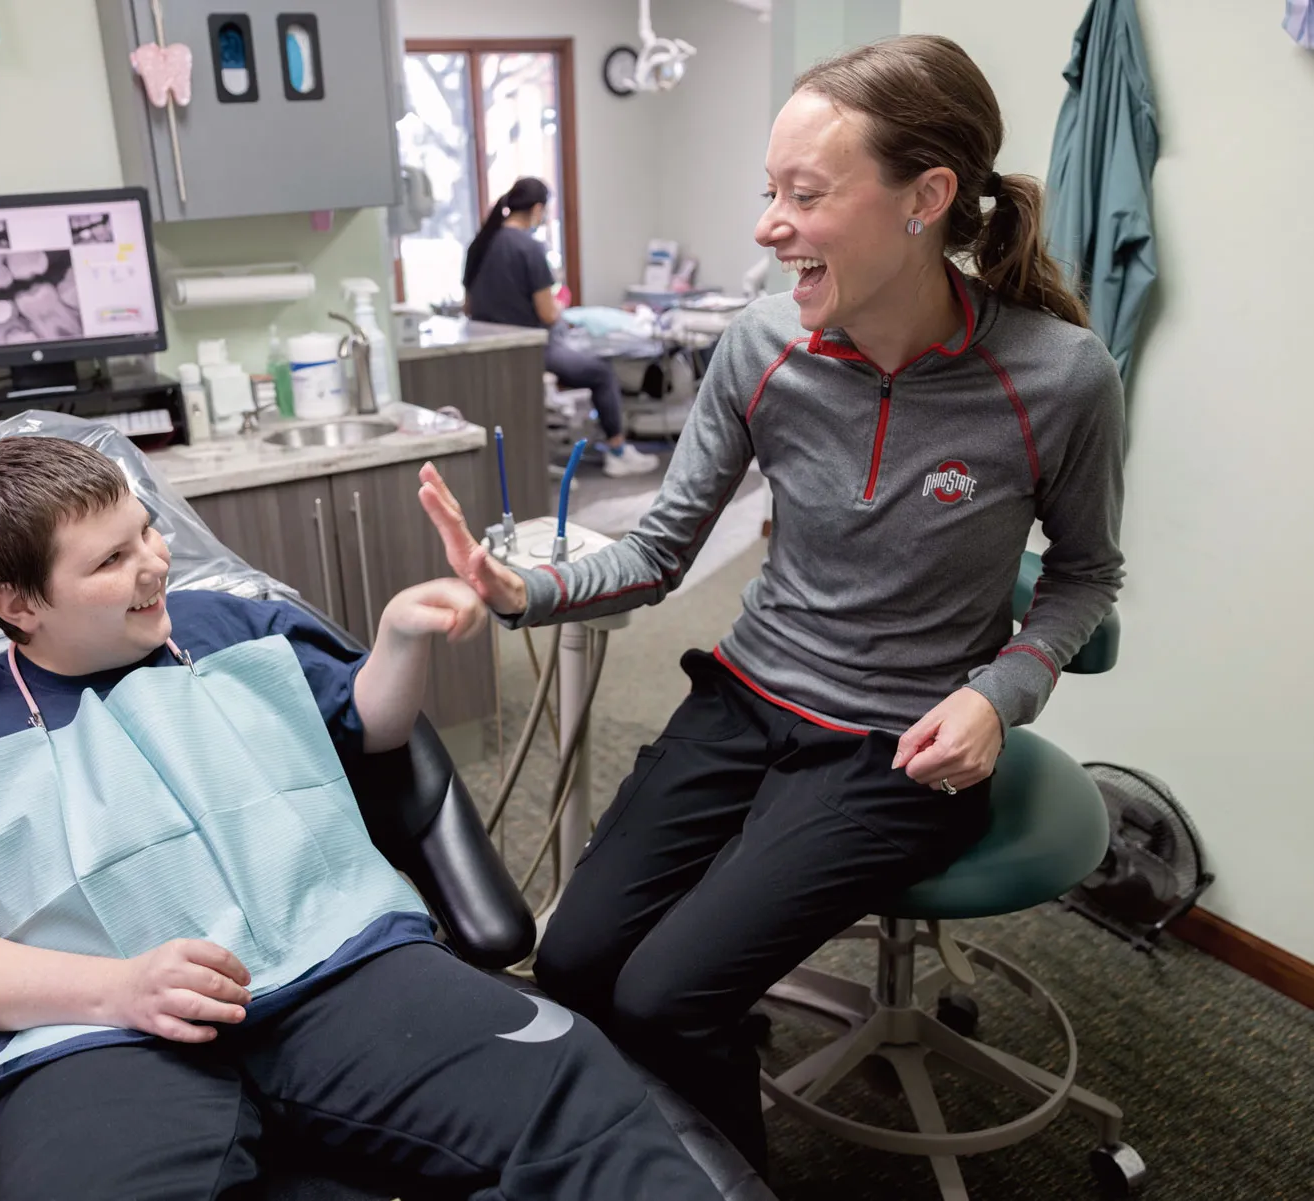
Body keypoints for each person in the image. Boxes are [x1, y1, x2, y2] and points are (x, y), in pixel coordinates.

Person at [419, 34, 1125, 1173]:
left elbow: (1085, 574)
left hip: (893, 747)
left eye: (804, 194)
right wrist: (523, 588)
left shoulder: (1055, 376)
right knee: (574, 961)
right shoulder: (760, 348)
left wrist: (1001, 694)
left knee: (656, 995)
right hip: (743, 701)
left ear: (925, 198)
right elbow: (657, 548)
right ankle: (671, 1103)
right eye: (768, 193)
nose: (765, 224)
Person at [0, 435, 725, 1201]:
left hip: (339, 964)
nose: (155, 563)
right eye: (110, 560)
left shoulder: (237, 629)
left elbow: (368, 726)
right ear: (19, 603)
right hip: (98, 1034)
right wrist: (115, 989)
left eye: (146, 531)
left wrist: (397, 639)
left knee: (569, 1088)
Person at [462, 176, 660, 478]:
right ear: (538, 209)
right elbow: (547, 313)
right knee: (602, 373)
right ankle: (618, 452)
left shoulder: (480, 244)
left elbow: (468, 307)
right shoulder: (529, 248)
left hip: (488, 354)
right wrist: (559, 310)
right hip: (529, 350)